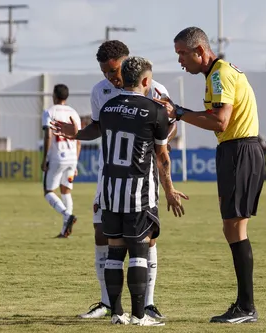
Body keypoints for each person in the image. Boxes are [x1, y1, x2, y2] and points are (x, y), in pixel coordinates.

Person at [51, 56, 188, 326]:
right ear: (145, 81)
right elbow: (162, 156)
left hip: (111, 189)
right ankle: (139, 315)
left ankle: (117, 313)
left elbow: (96, 128)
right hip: (140, 191)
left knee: (115, 250)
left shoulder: (109, 106)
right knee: (139, 250)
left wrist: (76, 132)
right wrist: (170, 188)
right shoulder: (154, 108)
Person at [155, 26, 263, 324]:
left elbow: (220, 122)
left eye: (182, 54)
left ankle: (246, 307)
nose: (180, 61)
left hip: (239, 151)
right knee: (231, 228)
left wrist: (178, 112)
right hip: (236, 150)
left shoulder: (219, 75)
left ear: (200, 51)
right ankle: (244, 305)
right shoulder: (219, 73)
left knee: (236, 228)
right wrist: (180, 112)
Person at [74, 40, 175, 320]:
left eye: (114, 70)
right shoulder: (101, 92)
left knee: (143, 241)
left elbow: (166, 137)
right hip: (110, 175)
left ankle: (148, 304)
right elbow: (97, 128)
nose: (110, 77)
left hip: (139, 177)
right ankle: (109, 304)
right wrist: (77, 133)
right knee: (104, 234)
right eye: (105, 72)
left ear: (127, 63)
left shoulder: (156, 90)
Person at [41, 84, 81, 238]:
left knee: (48, 192)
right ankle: (65, 230)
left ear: (54, 96)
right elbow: (78, 139)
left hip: (57, 156)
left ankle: (66, 215)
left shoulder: (50, 112)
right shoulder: (73, 112)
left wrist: (45, 158)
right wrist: (76, 162)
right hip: (71, 157)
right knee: (66, 191)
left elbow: (49, 135)